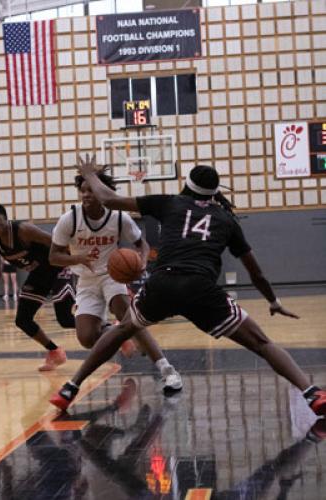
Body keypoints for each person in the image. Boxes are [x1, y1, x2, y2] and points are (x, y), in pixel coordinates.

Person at [50, 157, 326, 417]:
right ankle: (311, 393)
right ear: (214, 192)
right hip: (201, 289)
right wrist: (273, 301)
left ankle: (70, 388)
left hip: (163, 284)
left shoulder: (170, 203)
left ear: (187, 184)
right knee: (262, 344)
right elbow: (256, 273)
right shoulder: (226, 219)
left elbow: (109, 198)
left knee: (125, 328)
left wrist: (88, 174)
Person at [49, 170, 182, 391]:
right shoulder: (69, 219)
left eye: (90, 189)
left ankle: (167, 370)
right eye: (82, 190)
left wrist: (141, 261)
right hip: (85, 280)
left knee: (129, 316)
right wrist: (77, 258)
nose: (86, 194)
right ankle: (121, 335)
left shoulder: (119, 218)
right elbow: (53, 257)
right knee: (87, 338)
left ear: (103, 191)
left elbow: (142, 244)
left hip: (112, 276)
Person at [0, 203, 75, 371]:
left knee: (66, 319)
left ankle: (109, 329)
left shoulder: (23, 230)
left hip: (58, 266)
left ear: (6, 218)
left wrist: (77, 261)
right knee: (22, 320)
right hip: (39, 274)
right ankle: (55, 352)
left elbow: (56, 243)